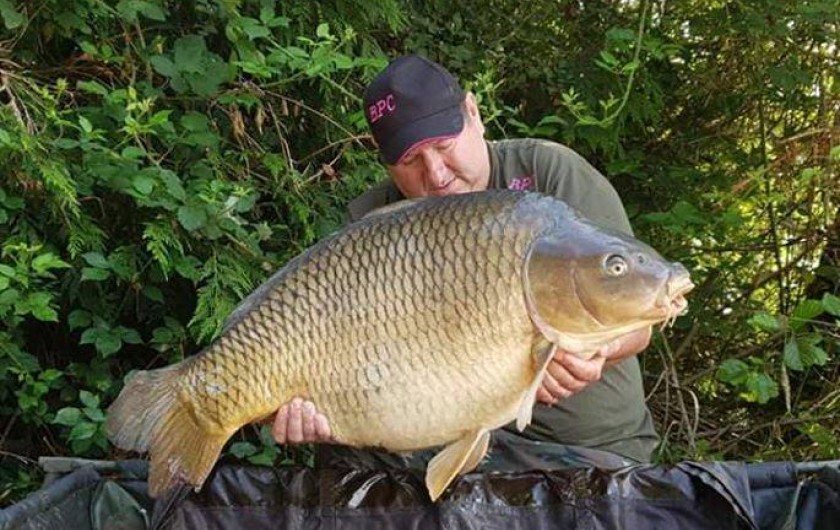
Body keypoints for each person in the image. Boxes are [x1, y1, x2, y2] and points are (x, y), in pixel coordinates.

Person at [270, 54, 658, 464]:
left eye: (443, 145)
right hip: (441, 442)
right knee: (343, 461)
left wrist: (599, 351)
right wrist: (321, 408)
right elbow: (346, 359)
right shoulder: (372, 225)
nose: (437, 174)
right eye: (411, 160)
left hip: (584, 449)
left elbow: (639, 312)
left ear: (473, 113)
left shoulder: (551, 174)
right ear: (385, 163)